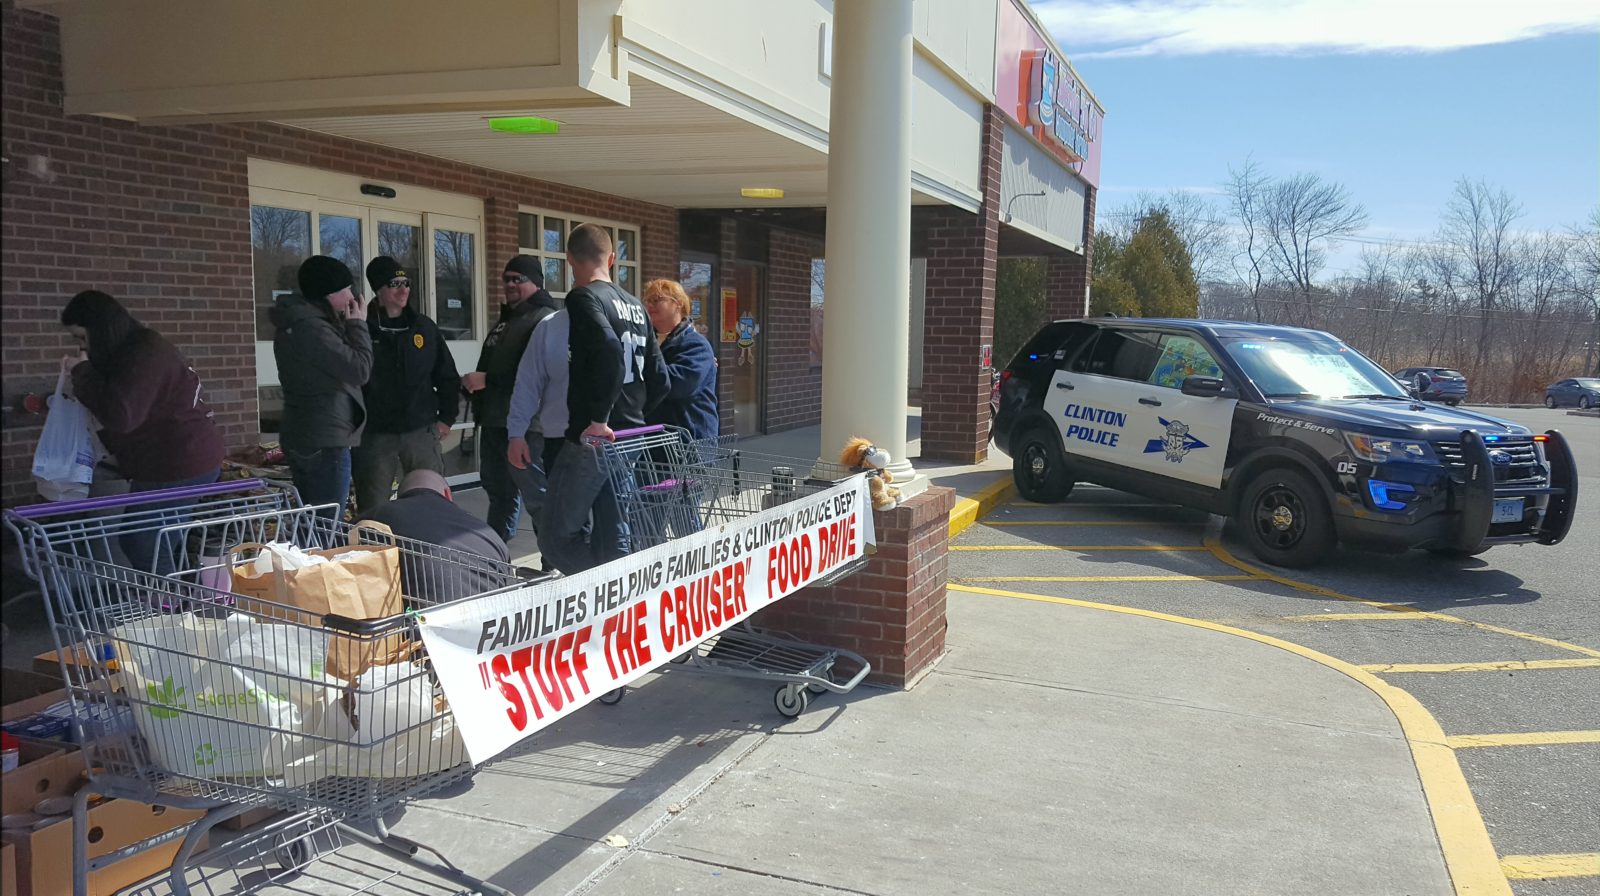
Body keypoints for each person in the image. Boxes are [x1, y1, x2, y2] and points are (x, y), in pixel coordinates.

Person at [60, 290, 225, 574]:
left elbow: (122, 415)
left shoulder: (145, 352)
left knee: (144, 543)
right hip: (170, 461)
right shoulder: (134, 351)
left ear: (100, 330)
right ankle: (178, 601)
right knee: (156, 540)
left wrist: (82, 372)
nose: (81, 348)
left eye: (82, 338)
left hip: (180, 463)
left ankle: (171, 608)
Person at [541, 224, 669, 575]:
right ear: (612, 259)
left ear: (569, 259)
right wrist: (635, 414)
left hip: (593, 438)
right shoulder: (636, 307)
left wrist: (600, 417)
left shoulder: (583, 297)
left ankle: (602, 597)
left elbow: (610, 348)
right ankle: (618, 602)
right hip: (630, 438)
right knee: (614, 529)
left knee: (554, 538)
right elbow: (661, 378)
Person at [352, 256, 461, 514]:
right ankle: (379, 551)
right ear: (379, 289)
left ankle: (429, 548)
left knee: (430, 498)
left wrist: (447, 417)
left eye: (406, 282)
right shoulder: (362, 329)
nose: (403, 290)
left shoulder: (423, 327)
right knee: (374, 504)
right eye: (394, 284)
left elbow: (446, 375)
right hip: (376, 433)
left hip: (420, 430)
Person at [463, 256, 558, 542]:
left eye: (519, 278)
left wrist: (488, 381)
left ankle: (553, 563)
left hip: (527, 426)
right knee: (499, 492)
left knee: (538, 496)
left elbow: (538, 374)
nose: (511, 284)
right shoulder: (507, 320)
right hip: (494, 420)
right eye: (507, 279)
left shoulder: (544, 319)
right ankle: (498, 561)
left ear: (537, 282)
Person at [271, 255, 372, 521]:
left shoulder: (297, 322)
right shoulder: (313, 329)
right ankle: (322, 561)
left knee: (311, 518)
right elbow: (359, 369)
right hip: (324, 438)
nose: (352, 296)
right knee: (326, 522)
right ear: (328, 293)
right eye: (346, 290)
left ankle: (309, 559)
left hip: (306, 432)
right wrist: (358, 325)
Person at [359, 469, 511, 601]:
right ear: (447, 494)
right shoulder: (489, 533)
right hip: (487, 624)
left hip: (419, 625)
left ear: (400, 497)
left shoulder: (380, 515)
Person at [505, 304, 573, 569]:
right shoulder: (550, 326)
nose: (511, 284)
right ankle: (555, 563)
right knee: (555, 509)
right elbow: (527, 383)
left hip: (606, 438)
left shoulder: (622, 318)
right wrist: (516, 433)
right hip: (553, 436)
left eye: (518, 279)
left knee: (606, 517)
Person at [642, 279, 719, 442]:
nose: (650, 305)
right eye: (647, 300)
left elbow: (677, 385)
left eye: (656, 300)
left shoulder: (696, 344)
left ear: (678, 304)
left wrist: (638, 370)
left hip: (689, 443)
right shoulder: (645, 341)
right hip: (655, 441)